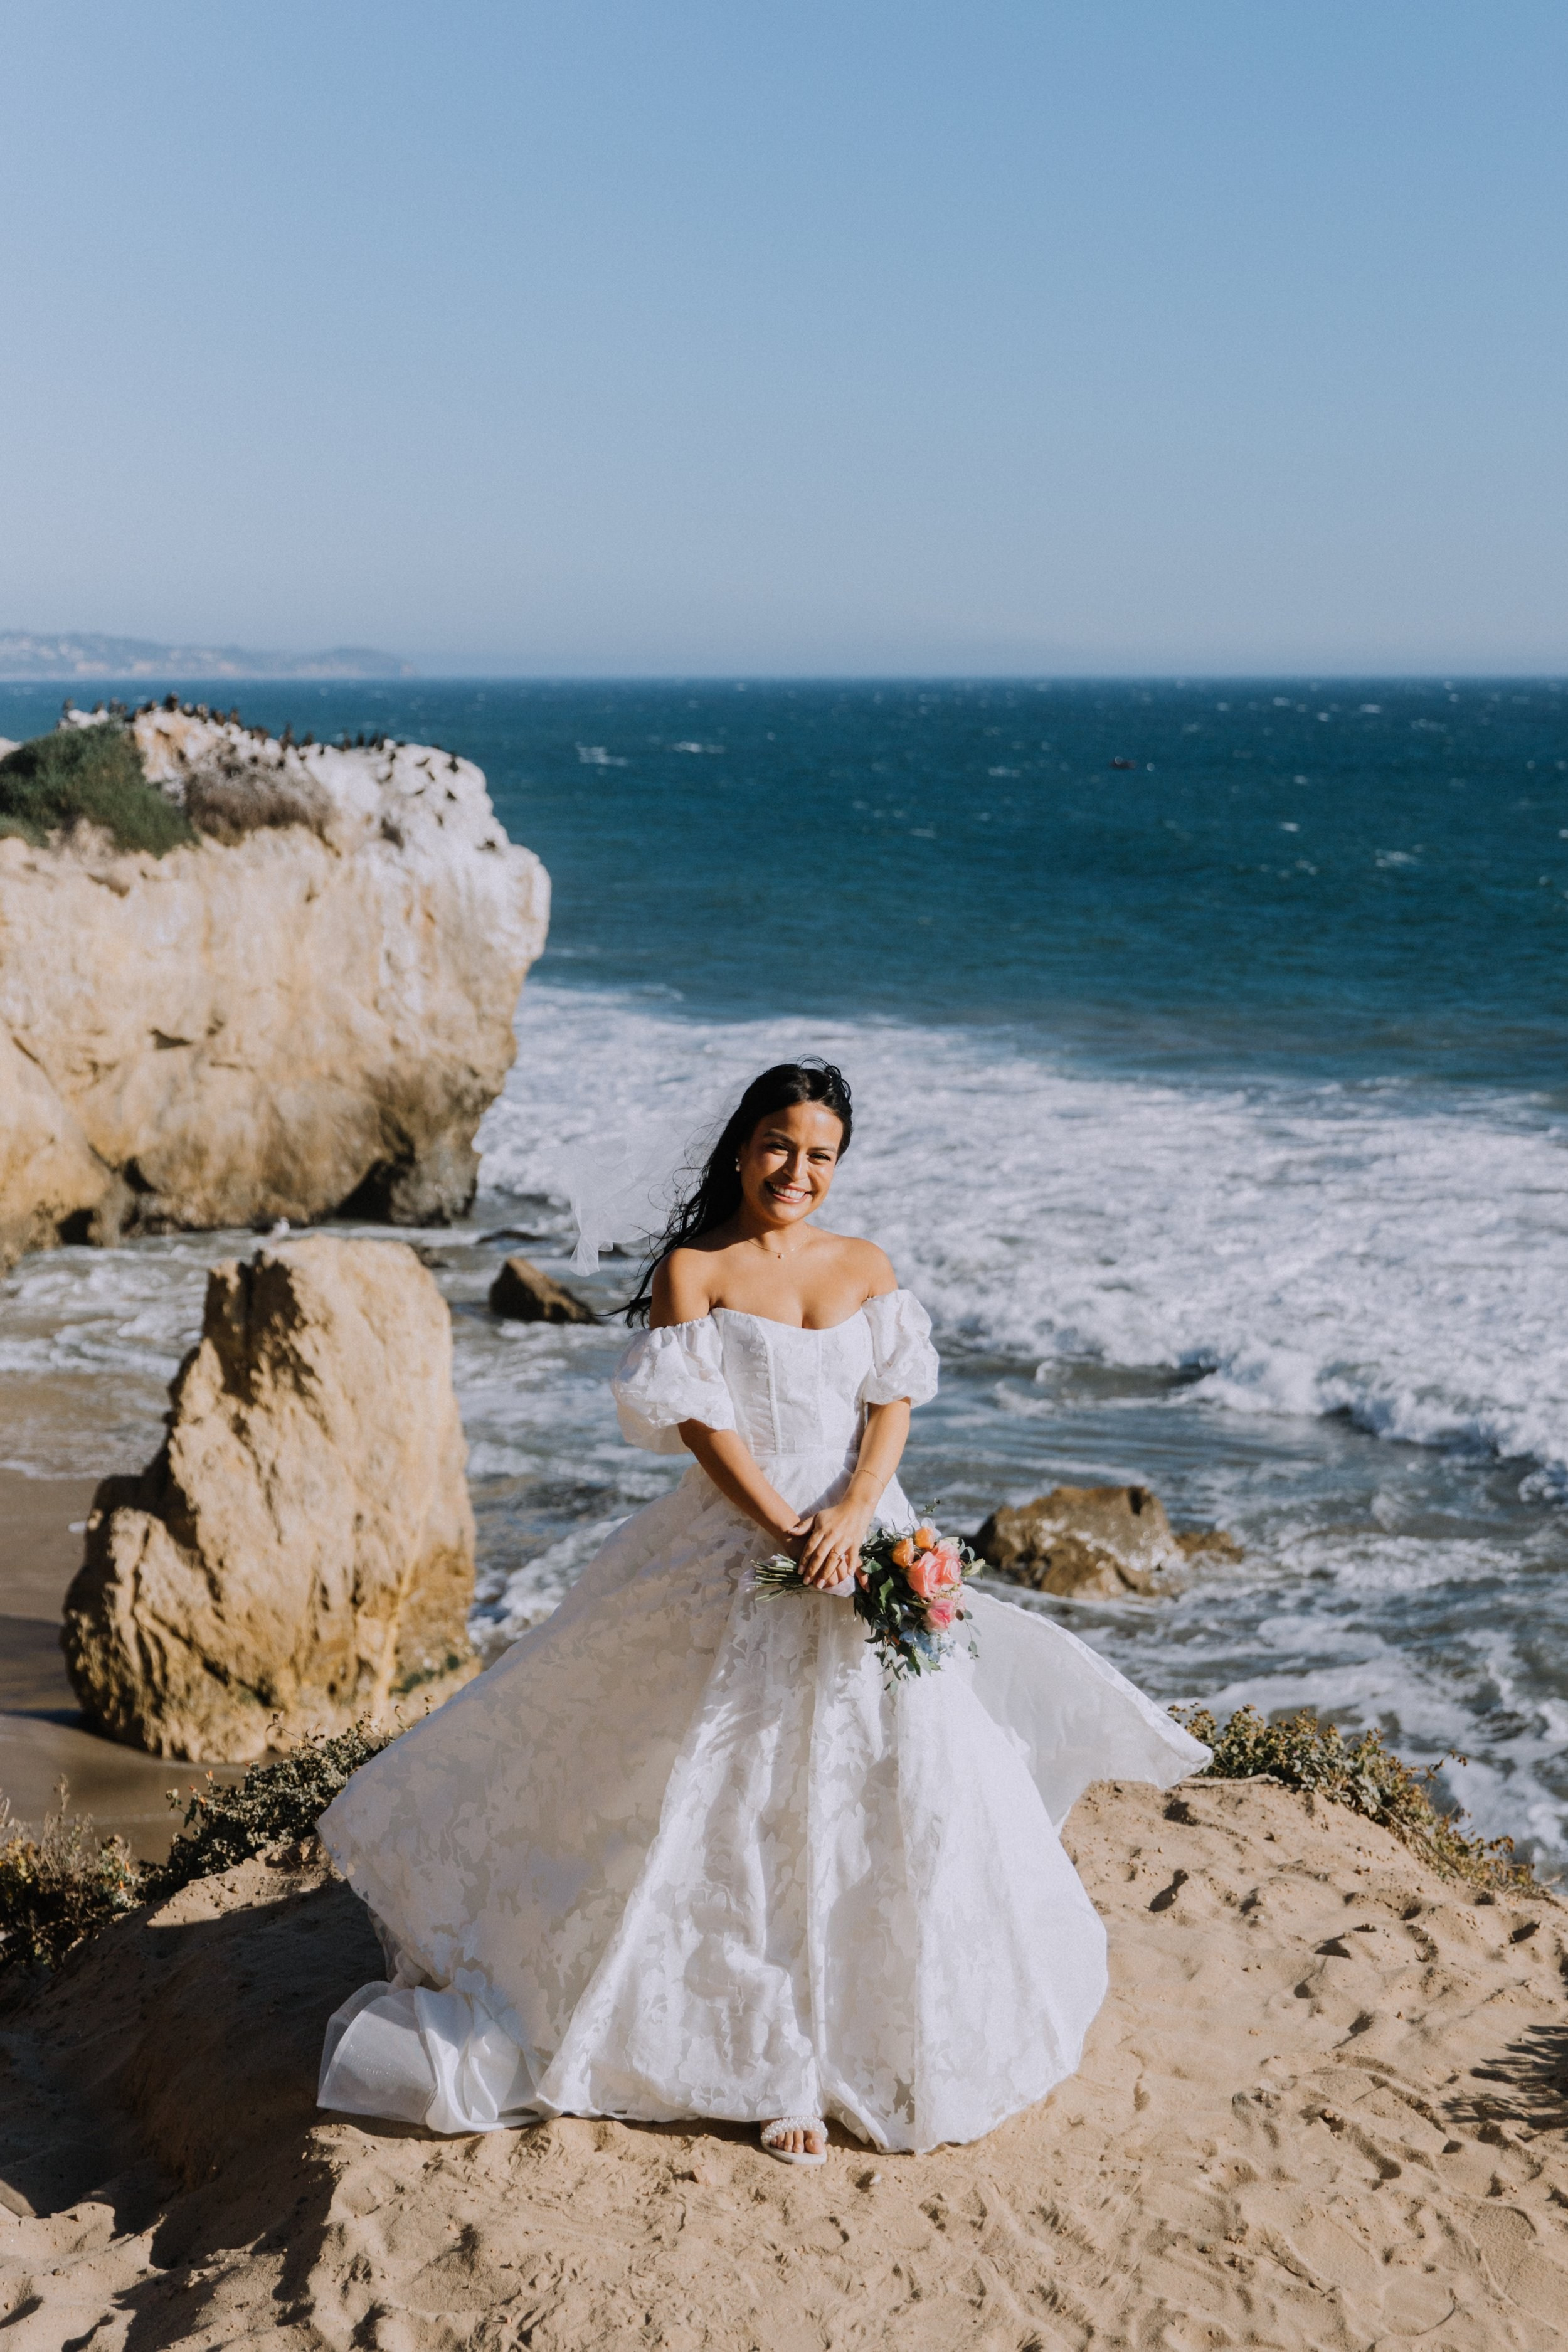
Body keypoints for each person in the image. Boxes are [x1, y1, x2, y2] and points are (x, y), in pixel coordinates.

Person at [317, 1061, 1207, 2162]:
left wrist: (857, 1511)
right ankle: (774, 2060)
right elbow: (704, 1427)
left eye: (821, 1153)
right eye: (781, 1144)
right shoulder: (695, 1270)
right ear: (744, 1146)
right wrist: (792, 1532)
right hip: (748, 1539)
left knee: (892, 1782)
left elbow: (892, 1402)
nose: (798, 1169)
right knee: (733, 1800)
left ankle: (873, 2031)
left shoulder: (866, 1264)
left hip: (864, 1535)